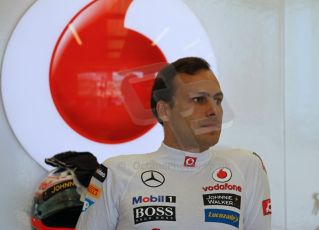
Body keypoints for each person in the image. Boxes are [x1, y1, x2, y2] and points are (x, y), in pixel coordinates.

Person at [76, 57, 271, 230]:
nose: (214, 111)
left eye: (217, 100)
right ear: (164, 111)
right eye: (199, 100)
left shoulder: (246, 166)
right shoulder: (115, 173)